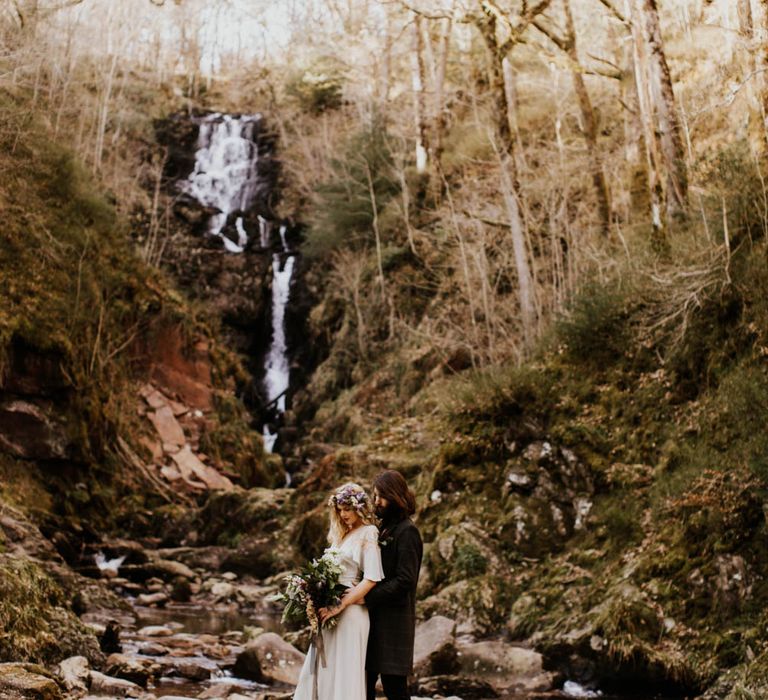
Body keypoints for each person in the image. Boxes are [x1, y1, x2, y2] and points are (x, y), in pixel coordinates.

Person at [293, 482, 384, 700]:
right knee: (322, 672)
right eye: (340, 510)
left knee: (345, 674)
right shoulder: (340, 537)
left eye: (347, 509)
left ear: (359, 507)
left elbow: (372, 577)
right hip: (330, 614)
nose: (343, 514)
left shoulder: (368, 532)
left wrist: (339, 605)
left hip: (350, 614)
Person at [365, 470, 423, 700]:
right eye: (375, 496)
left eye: (381, 496)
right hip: (374, 620)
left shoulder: (408, 532)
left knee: (394, 688)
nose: (376, 502)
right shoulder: (382, 528)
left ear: (395, 496)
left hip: (395, 622)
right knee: (364, 683)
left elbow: (405, 580)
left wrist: (367, 596)